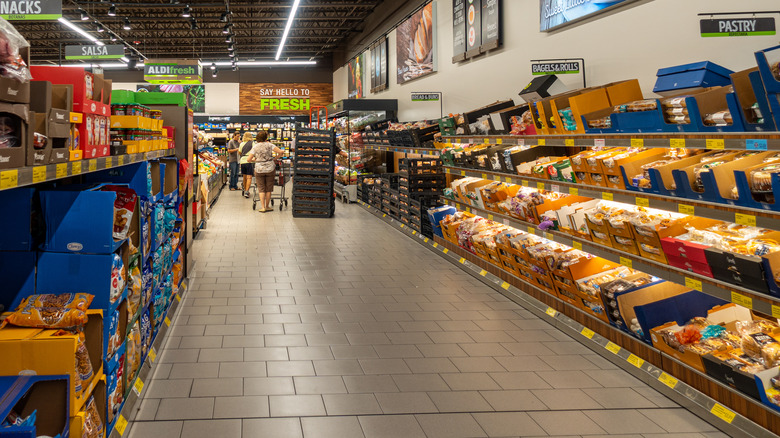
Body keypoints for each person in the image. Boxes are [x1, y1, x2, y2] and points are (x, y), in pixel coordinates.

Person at [248, 131, 284, 212]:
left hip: (259, 169)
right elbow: (281, 152)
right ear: (266, 138)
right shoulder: (270, 145)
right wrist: (274, 159)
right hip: (270, 169)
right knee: (268, 189)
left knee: (261, 188)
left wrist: (255, 159)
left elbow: (249, 159)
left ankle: (263, 207)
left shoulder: (255, 147)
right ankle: (267, 206)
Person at [238, 132, 255, 198]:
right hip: (250, 161)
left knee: (244, 177)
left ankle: (245, 189)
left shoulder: (241, 144)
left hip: (242, 161)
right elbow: (255, 151)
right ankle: (247, 191)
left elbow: (239, 152)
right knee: (249, 177)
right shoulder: (253, 143)